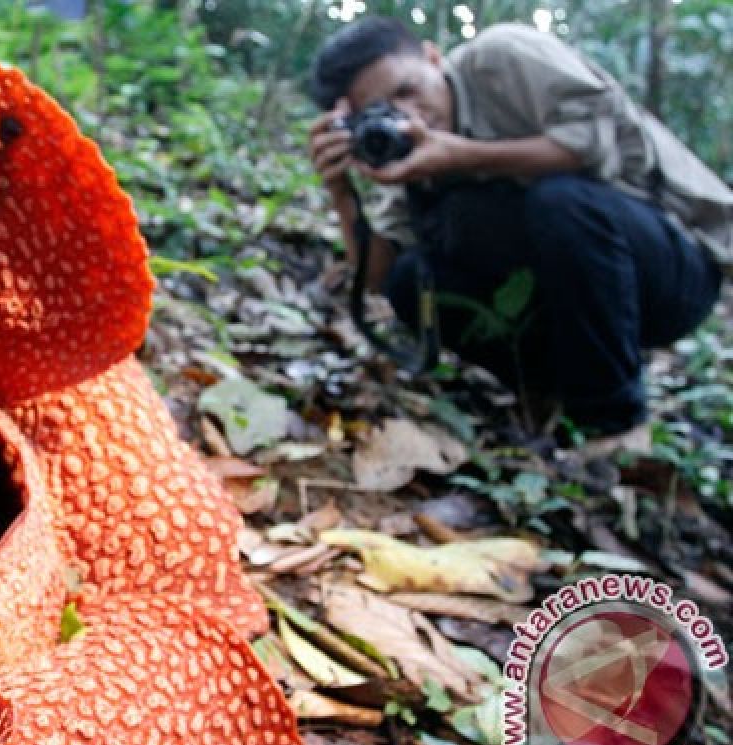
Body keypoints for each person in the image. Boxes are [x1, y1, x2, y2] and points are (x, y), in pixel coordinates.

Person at [308, 16, 732, 452]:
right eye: (384, 112)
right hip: (576, 294)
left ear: (433, 58)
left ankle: (616, 424)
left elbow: (593, 142)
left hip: (677, 270)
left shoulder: (503, 57)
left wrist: (462, 157)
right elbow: (381, 278)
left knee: (560, 202)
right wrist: (342, 192)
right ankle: (546, 390)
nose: (408, 116)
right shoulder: (408, 156)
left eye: (408, 90)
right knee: (413, 275)